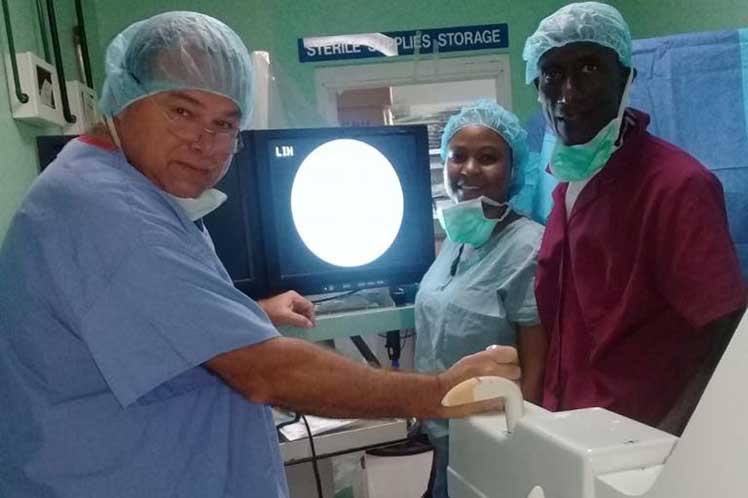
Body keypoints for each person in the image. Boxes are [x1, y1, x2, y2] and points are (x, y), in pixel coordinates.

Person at [0, 12, 521, 498]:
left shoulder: (132, 191)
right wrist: (437, 392)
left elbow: (163, 320)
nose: (206, 142)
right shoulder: (113, 213)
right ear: (124, 97)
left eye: (226, 123)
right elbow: (265, 373)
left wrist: (248, 316)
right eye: (182, 110)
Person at [522, 2, 746, 435]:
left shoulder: (676, 186)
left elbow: (728, 337)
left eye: (588, 69)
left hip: (645, 444)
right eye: (552, 74)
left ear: (626, 78)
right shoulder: (566, 191)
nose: (568, 93)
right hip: (573, 438)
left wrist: (671, 449)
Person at [415, 100, 546, 498]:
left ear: (513, 170)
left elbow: (536, 377)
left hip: (495, 448)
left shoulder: (528, 248)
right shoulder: (458, 239)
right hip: (445, 440)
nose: (469, 170)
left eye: (487, 158)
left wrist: (514, 452)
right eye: (458, 156)